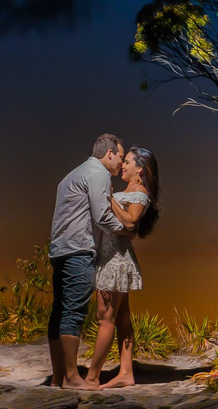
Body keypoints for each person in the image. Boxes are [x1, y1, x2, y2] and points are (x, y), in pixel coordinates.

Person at [48, 134, 128, 390]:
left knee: (59, 312)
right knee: (73, 312)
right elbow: (102, 216)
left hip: (59, 250)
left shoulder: (70, 175)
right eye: (121, 157)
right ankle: (72, 378)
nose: (121, 164)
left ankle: (57, 377)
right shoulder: (98, 174)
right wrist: (125, 229)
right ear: (109, 154)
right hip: (78, 251)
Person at [86, 146, 160, 389]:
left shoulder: (139, 191)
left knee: (104, 319)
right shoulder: (129, 191)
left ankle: (92, 378)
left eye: (127, 162)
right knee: (122, 318)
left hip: (115, 260)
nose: (123, 165)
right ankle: (126, 372)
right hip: (114, 255)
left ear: (140, 168)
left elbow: (130, 221)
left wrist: (109, 199)